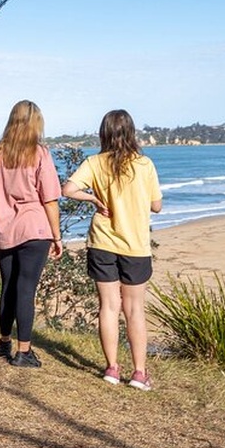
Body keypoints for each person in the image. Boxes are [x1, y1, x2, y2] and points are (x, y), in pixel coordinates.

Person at [61, 109, 162, 390]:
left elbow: (67, 189)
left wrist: (93, 198)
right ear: (131, 132)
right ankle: (139, 373)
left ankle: (112, 369)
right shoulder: (145, 165)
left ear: (104, 133)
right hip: (135, 246)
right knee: (134, 309)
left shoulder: (94, 162)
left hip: (103, 243)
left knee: (108, 307)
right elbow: (156, 205)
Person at [0, 100, 63, 368]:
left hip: (4, 228)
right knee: (25, 289)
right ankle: (23, 352)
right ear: (36, 123)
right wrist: (57, 236)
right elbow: (50, 199)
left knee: (8, 287)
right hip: (34, 228)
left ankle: (4, 342)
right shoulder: (40, 153)